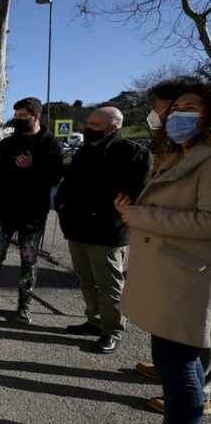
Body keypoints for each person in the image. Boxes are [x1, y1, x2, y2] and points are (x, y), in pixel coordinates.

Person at [117, 82, 211, 424]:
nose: (177, 114)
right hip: (171, 277)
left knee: (182, 371)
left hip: (189, 280)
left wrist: (139, 216)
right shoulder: (179, 154)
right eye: (174, 109)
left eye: (190, 107)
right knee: (174, 368)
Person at [55, 107, 151, 353]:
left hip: (108, 232)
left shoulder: (135, 154)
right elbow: (68, 183)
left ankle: (112, 330)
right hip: (77, 228)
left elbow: (134, 194)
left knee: (110, 285)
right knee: (87, 280)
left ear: (112, 128)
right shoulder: (84, 151)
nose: (88, 127)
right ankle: (94, 321)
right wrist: (62, 206)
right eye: (88, 122)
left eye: (94, 124)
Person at [0, 97, 63, 325]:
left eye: (23, 116)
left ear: (37, 116)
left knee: (28, 262)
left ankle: (23, 308)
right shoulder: (9, 143)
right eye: (17, 116)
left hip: (33, 216)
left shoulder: (51, 144)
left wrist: (33, 167)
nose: (18, 120)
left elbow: (55, 176)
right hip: (4, 213)